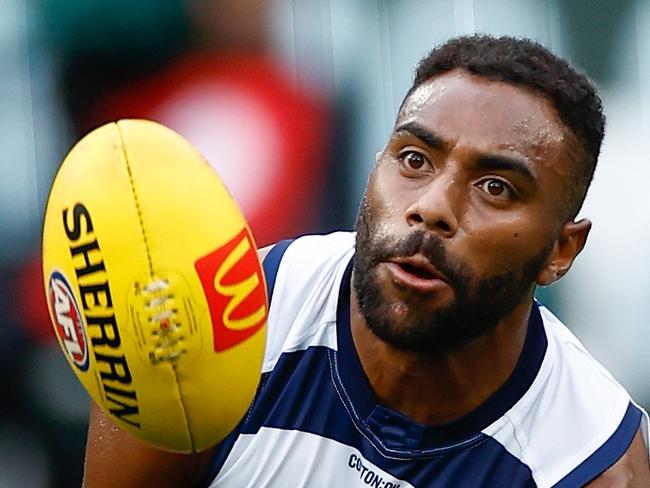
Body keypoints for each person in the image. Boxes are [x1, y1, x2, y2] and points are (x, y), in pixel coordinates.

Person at [83, 35, 650, 487]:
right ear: (376, 163)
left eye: (496, 188)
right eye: (413, 159)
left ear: (560, 250)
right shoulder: (226, 324)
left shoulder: (589, 462)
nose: (431, 209)